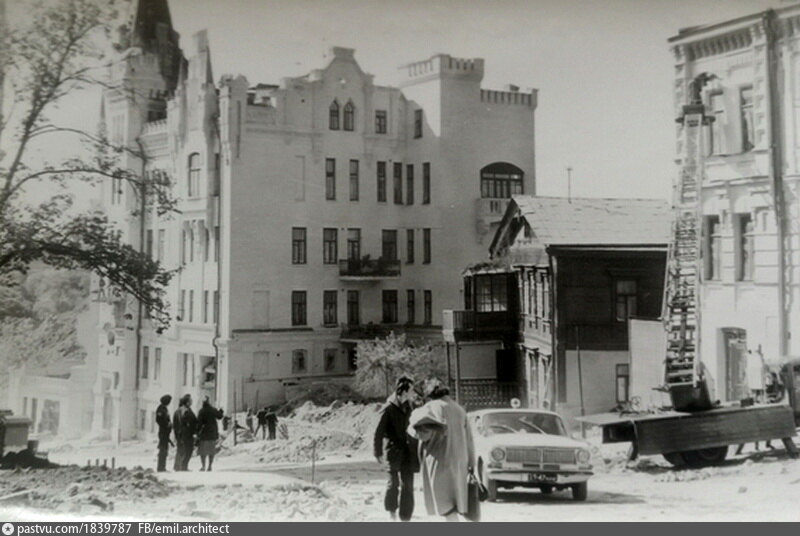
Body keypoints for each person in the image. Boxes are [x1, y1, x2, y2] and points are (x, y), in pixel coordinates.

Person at [408, 378, 475, 522]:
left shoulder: (430, 408)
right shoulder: (459, 409)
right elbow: (470, 439)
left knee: (445, 506)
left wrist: (411, 426)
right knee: (455, 501)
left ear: (429, 394)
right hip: (459, 462)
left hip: (440, 460)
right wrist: (472, 464)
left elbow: (422, 434)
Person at [374, 376, 417, 521]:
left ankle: (405, 517)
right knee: (394, 484)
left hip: (408, 452)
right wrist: (378, 452)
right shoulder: (389, 408)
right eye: (411, 389)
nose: (413, 393)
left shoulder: (411, 407)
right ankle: (391, 512)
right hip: (393, 451)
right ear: (404, 391)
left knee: (408, 485)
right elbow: (379, 432)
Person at [197, 397, 224, 471]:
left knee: (203, 451)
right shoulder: (213, 409)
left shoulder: (201, 411)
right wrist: (221, 410)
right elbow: (219, 416)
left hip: (204, 433)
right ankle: (210, 466)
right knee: (211, 450)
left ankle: (203, 466)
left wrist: (197, 432)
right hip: (212, 433)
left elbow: (199, 423)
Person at [172, 394, 198, 471]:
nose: (192, 402)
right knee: (188, 450)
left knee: (180, 450)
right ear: (187, 402)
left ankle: (177, 466)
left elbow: (175, 424)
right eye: (190, 401)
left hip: (180, 434)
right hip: (187, 434)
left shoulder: (178, 410)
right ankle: (183, 467)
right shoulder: (185, 411)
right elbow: (187, 421)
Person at [155, 394, 173, 472]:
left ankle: (163, 466)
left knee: (165, 449)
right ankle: (160, 467)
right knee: (163, 449)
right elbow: (158, 419)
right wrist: (166, 424)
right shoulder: (161, 409)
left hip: (166, 432)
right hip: (163, 431)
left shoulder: (164, 409)